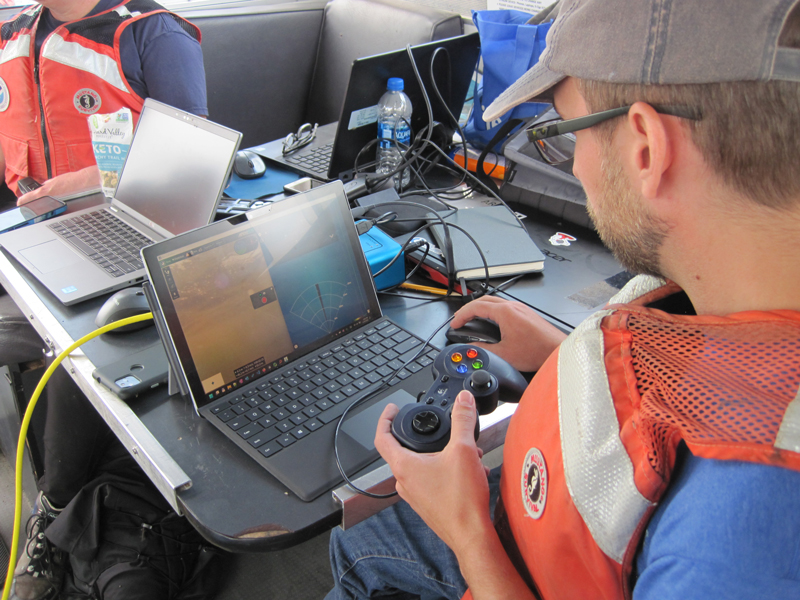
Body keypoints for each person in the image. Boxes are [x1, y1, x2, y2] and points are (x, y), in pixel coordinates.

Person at [326, 0, 800, 598]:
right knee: (358, 543)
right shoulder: (725, 279)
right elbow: (687, 380)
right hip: (533, 515)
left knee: (360, 558)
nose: (572, 164)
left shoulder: (737, 538)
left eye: (560, 132)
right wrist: (562, 349)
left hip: (502, 560)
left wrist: (468, 531)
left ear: (646, 147)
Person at [0, 1, 207, 599]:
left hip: (126, 234)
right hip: (31, 230)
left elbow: (191, 159)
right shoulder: (14, 31)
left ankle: (54, 507)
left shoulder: (152, 34)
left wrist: (84, 182)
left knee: (81, 346)